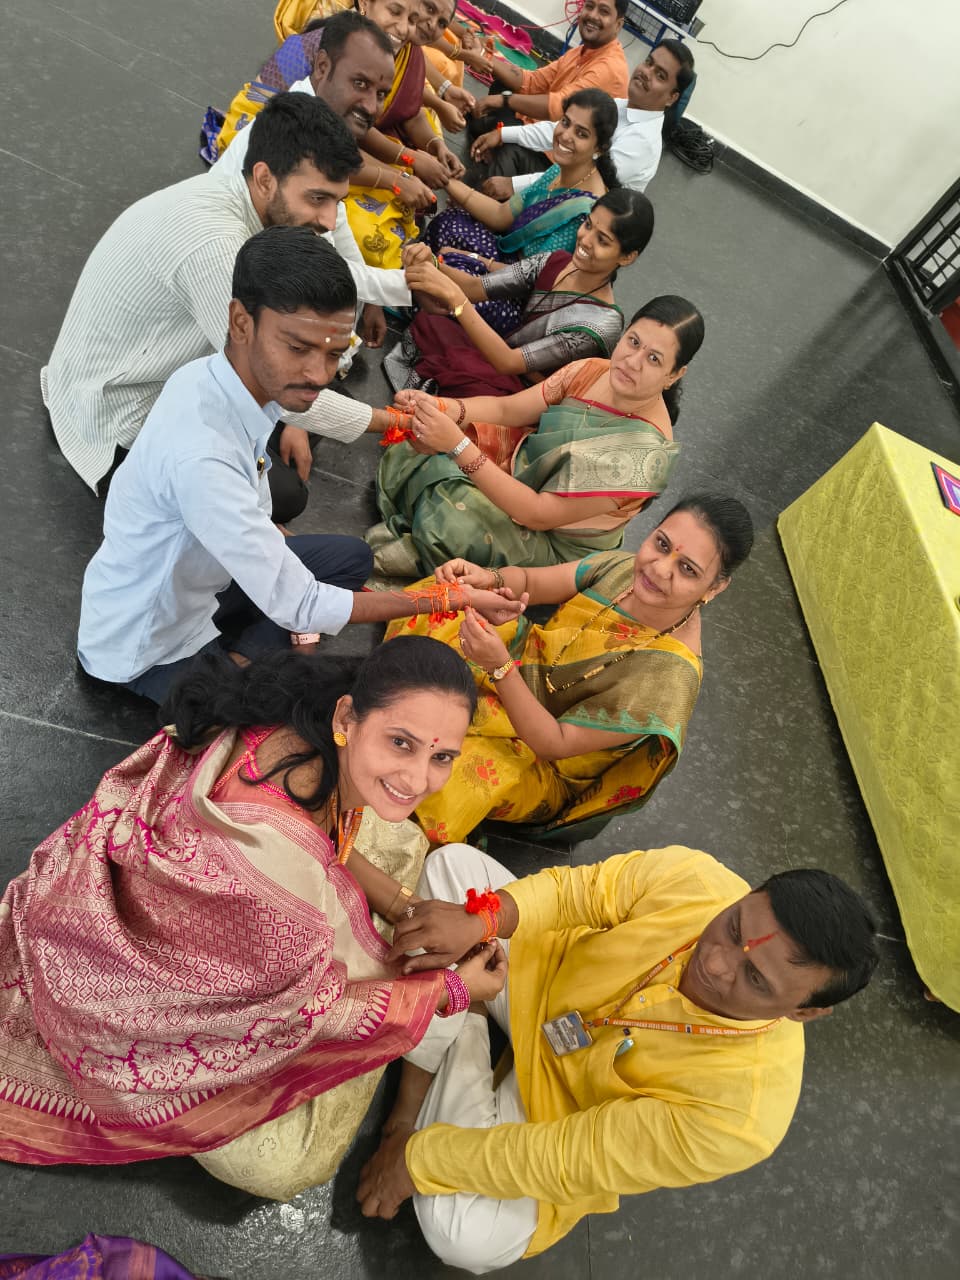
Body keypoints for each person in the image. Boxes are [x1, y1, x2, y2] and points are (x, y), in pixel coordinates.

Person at [0, 638, 508, 1169]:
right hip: (123, 1007)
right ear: (348, 717)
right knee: (288, 1168)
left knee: (399, 835)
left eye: (441, 757)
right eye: (401, 743)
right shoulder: (282, 881)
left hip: (110, 899)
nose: (419, 779)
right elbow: (301, 1017)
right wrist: (451, 991)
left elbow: (320, 837)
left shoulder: (300, 718)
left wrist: (403, 905)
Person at [355, 842, 879, 1271]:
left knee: (462, 1236)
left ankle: (465, 1008)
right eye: (733, 928)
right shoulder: (700, 879)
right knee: (453, 869)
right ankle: (433, 1065)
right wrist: (486, 922)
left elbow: (573, 1156)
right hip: (542, 975)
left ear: (803, 1012)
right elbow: (576, 893)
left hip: (554, 1116)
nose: (717, 963)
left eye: (756, 979)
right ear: (749, 893)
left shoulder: (743, 1117)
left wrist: (416, 1161)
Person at [77, 227, 525, 705]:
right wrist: (447, 598)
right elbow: (304, 602)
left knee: (350, 559)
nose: (318, 374)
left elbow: (263, 505)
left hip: (205, 584)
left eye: (334, 353)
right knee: (310, 705)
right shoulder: (203, 456)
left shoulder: (214, 378)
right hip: (147, 645)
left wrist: (270, 548)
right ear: (241, 322)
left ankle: (249, 655)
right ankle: (240, 668)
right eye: (297, 348)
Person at [41, 91, 395, 520]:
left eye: (337, 202)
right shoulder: (217, 246)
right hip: (113, 421)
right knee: (285, 493)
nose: (328, 220)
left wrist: (290, 415)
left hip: (141, 374)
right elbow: (270, 382)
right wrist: (397, 424)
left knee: (313, 391)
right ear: (264, 179)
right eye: (317, 199)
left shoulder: (237, 204)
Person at [383, 494, 751, 841]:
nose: (660, 568)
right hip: (521, 661)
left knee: (456, 776)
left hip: (540, 755)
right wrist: (489, 579)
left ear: (715, 588)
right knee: (450, 597)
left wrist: (499, 667)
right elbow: (532, 582)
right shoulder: (625, 569)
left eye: (687, 569)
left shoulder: (668, 680)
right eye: (662, 544)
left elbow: (555, 743)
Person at [369, 296, 702, 579]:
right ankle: (425, 536)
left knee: (455, 518)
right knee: (423, 441)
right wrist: (441, 407)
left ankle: (427, 539)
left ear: (674, 375)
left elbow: (538, 513)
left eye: (654, 359)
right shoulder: (591, 370)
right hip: (520, 469)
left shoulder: (643, 459)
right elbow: (507, 410)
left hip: (552, 545)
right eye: (634, 342)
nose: (633, 361)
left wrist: (457, 445)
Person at [207, 10, 412, 348]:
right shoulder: (299, 136)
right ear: (322, 66)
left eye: (380, 94)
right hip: (224, 287)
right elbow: (319, 262)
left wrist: (371, 301)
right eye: (360, 84)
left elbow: (337, 219)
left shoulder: (323, 125)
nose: (371, 106)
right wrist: (414, 286)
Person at [386, 189, 654, 397]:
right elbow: (476, 288)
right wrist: (431, 263)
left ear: (627, 257)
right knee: (434, 319)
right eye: (588, 225)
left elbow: (508, 362)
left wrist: (456, 300)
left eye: (602, 240)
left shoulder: (601, 325)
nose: (585, 240)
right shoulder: (558, 261)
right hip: (500, 358)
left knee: (456, 356)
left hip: (525, 393)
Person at [422, 88, 619, 272]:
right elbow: (501, 214)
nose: (566, 135)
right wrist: (444, 178)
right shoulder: (560, 170)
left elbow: (531, 276)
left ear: (599, 148)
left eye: (581, 134)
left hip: (517, 283)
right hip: (507, 259)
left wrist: (473, 258)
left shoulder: (585, 213)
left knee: (447, 254)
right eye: (565, 122)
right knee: (451, 222)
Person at [472, 40, 696, 195]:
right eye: (648, 62)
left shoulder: (643, 142)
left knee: (512, 154)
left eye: (660, 75)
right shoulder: (618, 105)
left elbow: (585, 179)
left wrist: (513, 184)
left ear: (671, 97)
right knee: (501, 120)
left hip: (580, 215)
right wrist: (503, 134)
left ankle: (481, 219)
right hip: (565, 175)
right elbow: (559, 127)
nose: (646, 72)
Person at [466, 0, 629, 170]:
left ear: (618, 24)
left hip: (559, 155)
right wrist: (482, 56)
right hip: (539, 128)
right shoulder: (580, 52)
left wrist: (504, 100)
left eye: (603, 11)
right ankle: (496, 137)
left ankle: (499, 142)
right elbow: (532, 81)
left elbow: (558, 107)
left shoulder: (609, 68)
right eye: (590, 6)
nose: (593, 15)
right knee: (503, 86)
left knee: (504, 140)